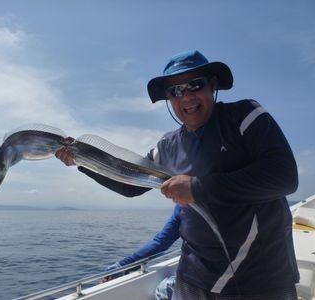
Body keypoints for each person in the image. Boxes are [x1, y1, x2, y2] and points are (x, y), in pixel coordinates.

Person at [56, 50, 299, 299]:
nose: (186, 96)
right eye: (175, 90)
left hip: (260, 278)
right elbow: (131, 186)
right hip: (193, 277)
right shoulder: (167, 146)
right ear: (168, 99)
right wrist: (82, 161)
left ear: (212, 85)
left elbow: (284, 176)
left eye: (195, 85)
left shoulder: (244, 115)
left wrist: (198, 188)